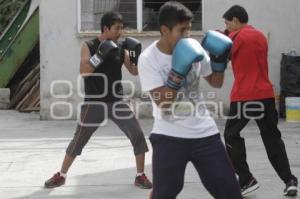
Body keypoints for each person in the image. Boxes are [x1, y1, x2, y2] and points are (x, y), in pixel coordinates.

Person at [138, 1, 242, 198]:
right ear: (164, 30)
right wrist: (177, 72)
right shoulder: (149, 58)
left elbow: (216, 82)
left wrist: (220, 61)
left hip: (205, 133)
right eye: (182, 30)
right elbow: (163, 103)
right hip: (169, 136)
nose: (187, 35)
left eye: (189, 29)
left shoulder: (194, 47)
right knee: (164, 194)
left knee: (229, 190)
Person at [44, 11, 152, 189]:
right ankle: (61, 175)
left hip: (118, 100)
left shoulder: (121, 47)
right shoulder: (89, 45)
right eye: (117, 28)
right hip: (94, 102)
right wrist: (100, 55)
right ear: (106, 28)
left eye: (122, 28)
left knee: (138, 134)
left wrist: (136, 56)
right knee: (79, 139)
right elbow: (84, 71)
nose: (121, 32)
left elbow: (134, 71)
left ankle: (140, 176)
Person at [222, 5, 298, 197]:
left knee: (231, 136)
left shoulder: (236, 38)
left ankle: (246, 179)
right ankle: (289, 180)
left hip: (244, 97)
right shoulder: (260, 36)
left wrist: (217, 38)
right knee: (272, 138)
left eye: (227, 22)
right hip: (265, 95)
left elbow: (220, 55)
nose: (226, 26)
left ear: (236, 20)